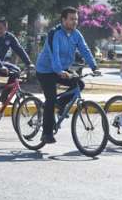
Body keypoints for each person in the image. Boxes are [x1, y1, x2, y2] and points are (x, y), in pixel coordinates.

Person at [35, 7, 99, 144]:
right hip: (45, 70)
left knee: (79, 84)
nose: (75, 21)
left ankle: (61, 103)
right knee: (50, 99)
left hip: (61, 69)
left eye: (76, 19)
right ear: (63, 20)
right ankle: (46, 134)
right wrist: (59, 71)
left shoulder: (76, 34)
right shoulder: (54, 33)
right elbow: (54, 54)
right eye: (71, 19)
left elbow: (84, 49)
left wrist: (94, 66)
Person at [0, 17, 34, 130]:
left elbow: (19, 49)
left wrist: (29, 63)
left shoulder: (9, 37)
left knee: (16, 72)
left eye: (1, 28)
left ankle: (4, 97)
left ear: (6, 28)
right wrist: (1, 66)